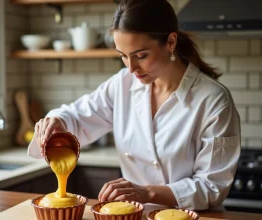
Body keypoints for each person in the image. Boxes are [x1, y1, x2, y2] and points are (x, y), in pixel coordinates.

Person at [31, 0, 241, 211]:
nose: (131, 68)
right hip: (132, 215)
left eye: (141, 56)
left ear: (170, 42)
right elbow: (77, 117)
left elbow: (212, 187)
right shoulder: (122, 85)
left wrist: (146, 192)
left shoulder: (213, 99)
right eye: (123, 56)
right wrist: (57, 121)